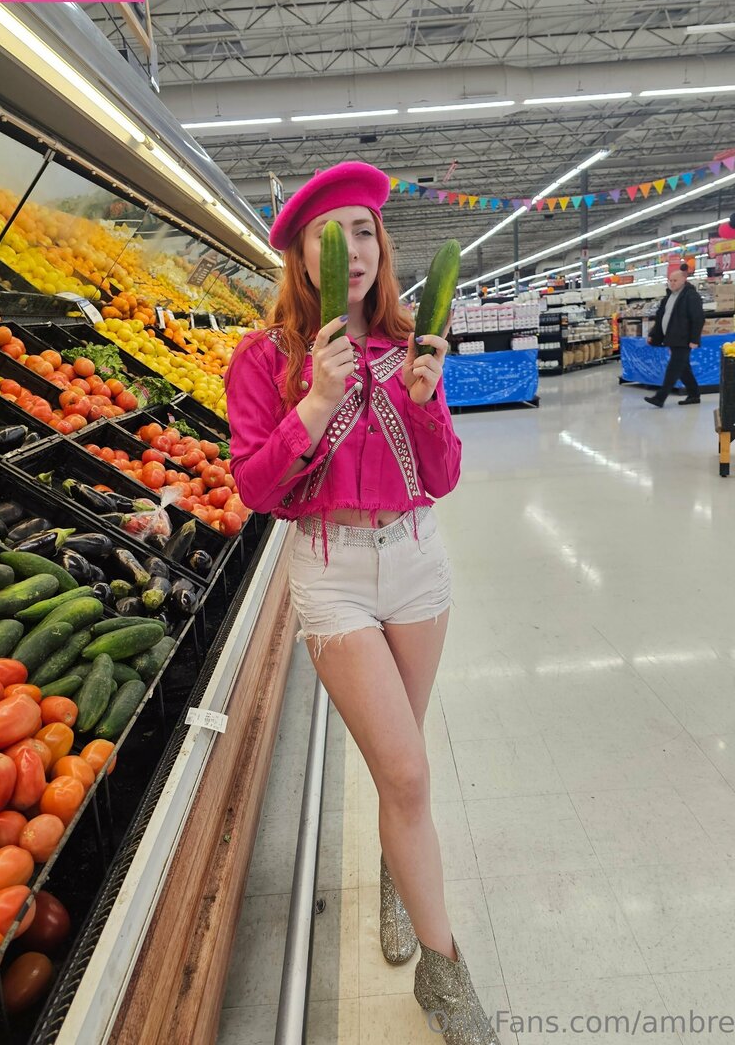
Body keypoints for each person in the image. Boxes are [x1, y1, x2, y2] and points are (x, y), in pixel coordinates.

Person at [225, 161, 500, 1045]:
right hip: (331, 571)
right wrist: (315, 400)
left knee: (398, 765)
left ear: (382, 248)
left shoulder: (413, 345)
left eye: (366, 231)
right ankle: (445, 978)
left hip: (417, 562)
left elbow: (442, 476)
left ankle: (396, 871)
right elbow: (257, 488)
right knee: (409, 773)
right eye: (330, 235)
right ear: (305, 259)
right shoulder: (264, 360)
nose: (354, 246)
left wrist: (423, 401)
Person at [644, 265, 705, 407]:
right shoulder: (668, 297)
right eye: (670, 280)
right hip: (672, 337)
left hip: (684, 338)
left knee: (674, 368)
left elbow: (698, 318)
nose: (672, 283)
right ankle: (694, 394)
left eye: (675, 280)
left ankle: (660, 398)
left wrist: (694, 339)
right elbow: (661, 318)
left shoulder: (691, 296)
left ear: (684, 279)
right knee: (683, 368)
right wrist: (653, 335)